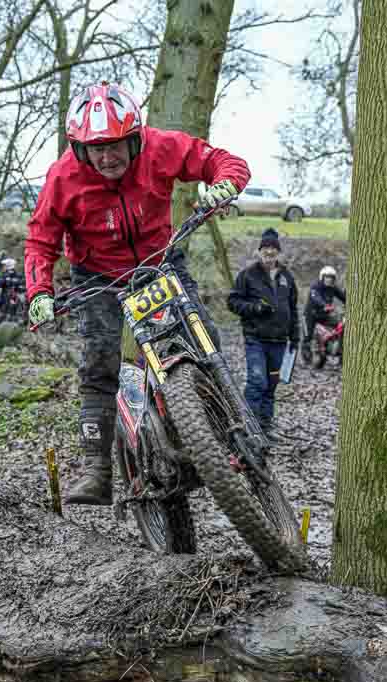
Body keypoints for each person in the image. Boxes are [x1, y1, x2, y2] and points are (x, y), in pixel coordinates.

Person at [25, 81, 249, 506]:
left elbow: (222, 161)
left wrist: (224, 183)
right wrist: (39, 292)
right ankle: (97, 470)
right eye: (96, 148)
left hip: (159, 260)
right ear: (79, 149)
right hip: (97, 275)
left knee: (202, 336)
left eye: (115, 145)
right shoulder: (62, 178)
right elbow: (41, 240)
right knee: (99, 361)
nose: (107, 156)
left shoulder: (161, 148)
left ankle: (226, 432)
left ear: (134, 139)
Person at [227, 228, 299, 437]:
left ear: (278, 252)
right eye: (265, 248)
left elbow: (293, 308)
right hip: (256, 339)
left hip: (280, 341)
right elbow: (233, 302)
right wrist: (255, 308)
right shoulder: (248, 275)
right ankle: (250, 427)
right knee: (257, 381)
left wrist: (295, 336)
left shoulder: (287, 276)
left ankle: (266, 427)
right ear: (259, 251)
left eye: (273, 249)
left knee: (271, 387)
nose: (269, 252)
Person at [302, 265, 346, 361]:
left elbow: (343, 297)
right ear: (322, 277)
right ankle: (306, 357)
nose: (329, 280)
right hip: (310, 315)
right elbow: (315, 297)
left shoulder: (333, 288)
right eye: (327, 277)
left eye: (331, 278)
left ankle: (340, 350)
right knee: (307, 336)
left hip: (324, 315)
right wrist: (324, 305)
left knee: (341, 326)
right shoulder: (315, 286)